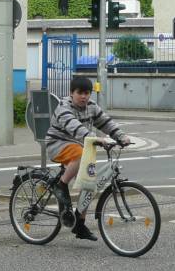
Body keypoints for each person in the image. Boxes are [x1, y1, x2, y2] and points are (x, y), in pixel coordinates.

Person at [46, 76, 131, 241]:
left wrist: (121, 137)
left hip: (81, 146)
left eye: (87, 93)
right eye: (80, 93)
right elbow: (74, 127)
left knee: (89, 183)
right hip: (58, 144)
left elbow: (105, 122)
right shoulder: (63, 107)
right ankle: (61, 185)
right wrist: (95, 138)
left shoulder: (91, 107)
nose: (84, 97)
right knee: (80, 153)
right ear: (71, 93)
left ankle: (79, 224)